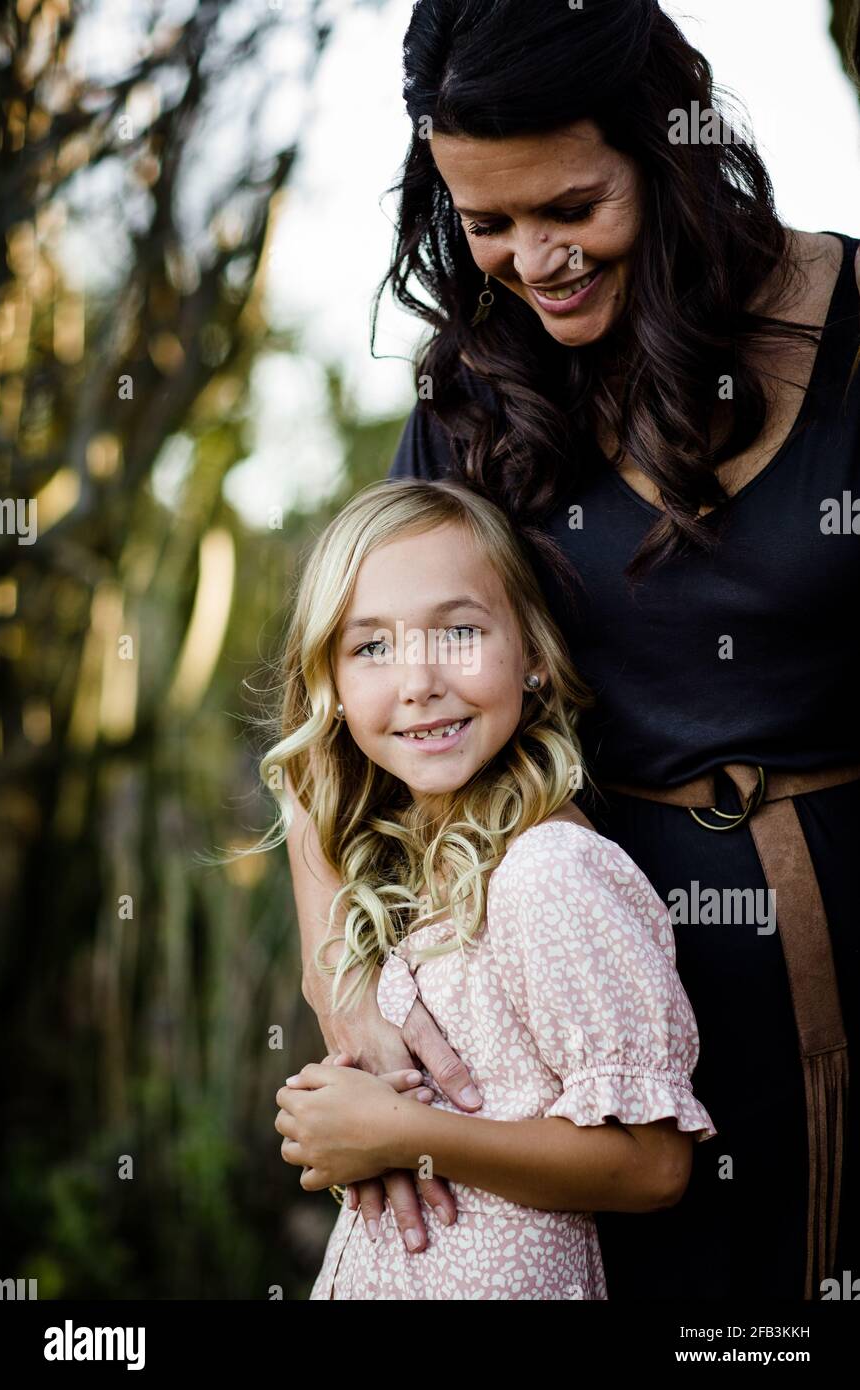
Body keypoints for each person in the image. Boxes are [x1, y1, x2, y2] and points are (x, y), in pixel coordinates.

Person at [287, 0, 860, 1300]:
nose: (534, 260)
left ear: (668, 148)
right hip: (564, 1023)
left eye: (569, 208)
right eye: (486, 224)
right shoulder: (474, 393)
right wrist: (349, 1004)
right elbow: (337, 713)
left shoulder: (850, 322)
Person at [268, 477, 716, 1300]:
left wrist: (400, 1132)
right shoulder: (412, 866)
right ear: (331, 685)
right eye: (372, 647)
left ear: (535, 657)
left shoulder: (549, 873)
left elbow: (653, 1165)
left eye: (459, 632)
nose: (417, 682)